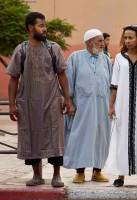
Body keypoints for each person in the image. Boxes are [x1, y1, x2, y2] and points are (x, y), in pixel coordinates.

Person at [6, 12, 74, 188]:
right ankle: (37, 175)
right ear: (30, 27)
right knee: (31, 138)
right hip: (28, 104)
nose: (45, 29)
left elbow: (62, 75)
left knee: (55, 138)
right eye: (41, 25)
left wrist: (67, 99)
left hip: (52, 101)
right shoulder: (21, 49)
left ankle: (57, 176)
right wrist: (12, 104)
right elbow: (13, 78)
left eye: (45, 25)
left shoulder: (53, 48)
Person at [104, 24, 137, 189]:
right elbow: (114, 84)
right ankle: (120, 175)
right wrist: (111, 105)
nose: (127, 41)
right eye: (125, 38)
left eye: (130, 37)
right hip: (122, 105)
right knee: (121, 138)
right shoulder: (119, 58)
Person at [63, 29, 112, 184]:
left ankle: (97, 171)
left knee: (101, 138)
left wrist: (112, 105)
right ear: (89, 42)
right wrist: (69, 102)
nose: (103, 44)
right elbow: (68, 82)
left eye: (103, 41)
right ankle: (80, 172)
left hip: (102, 107)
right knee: (81, 137)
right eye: (99, 41)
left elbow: (111, 84)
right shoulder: (75, 58)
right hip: (82, 107)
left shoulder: (105, 59)